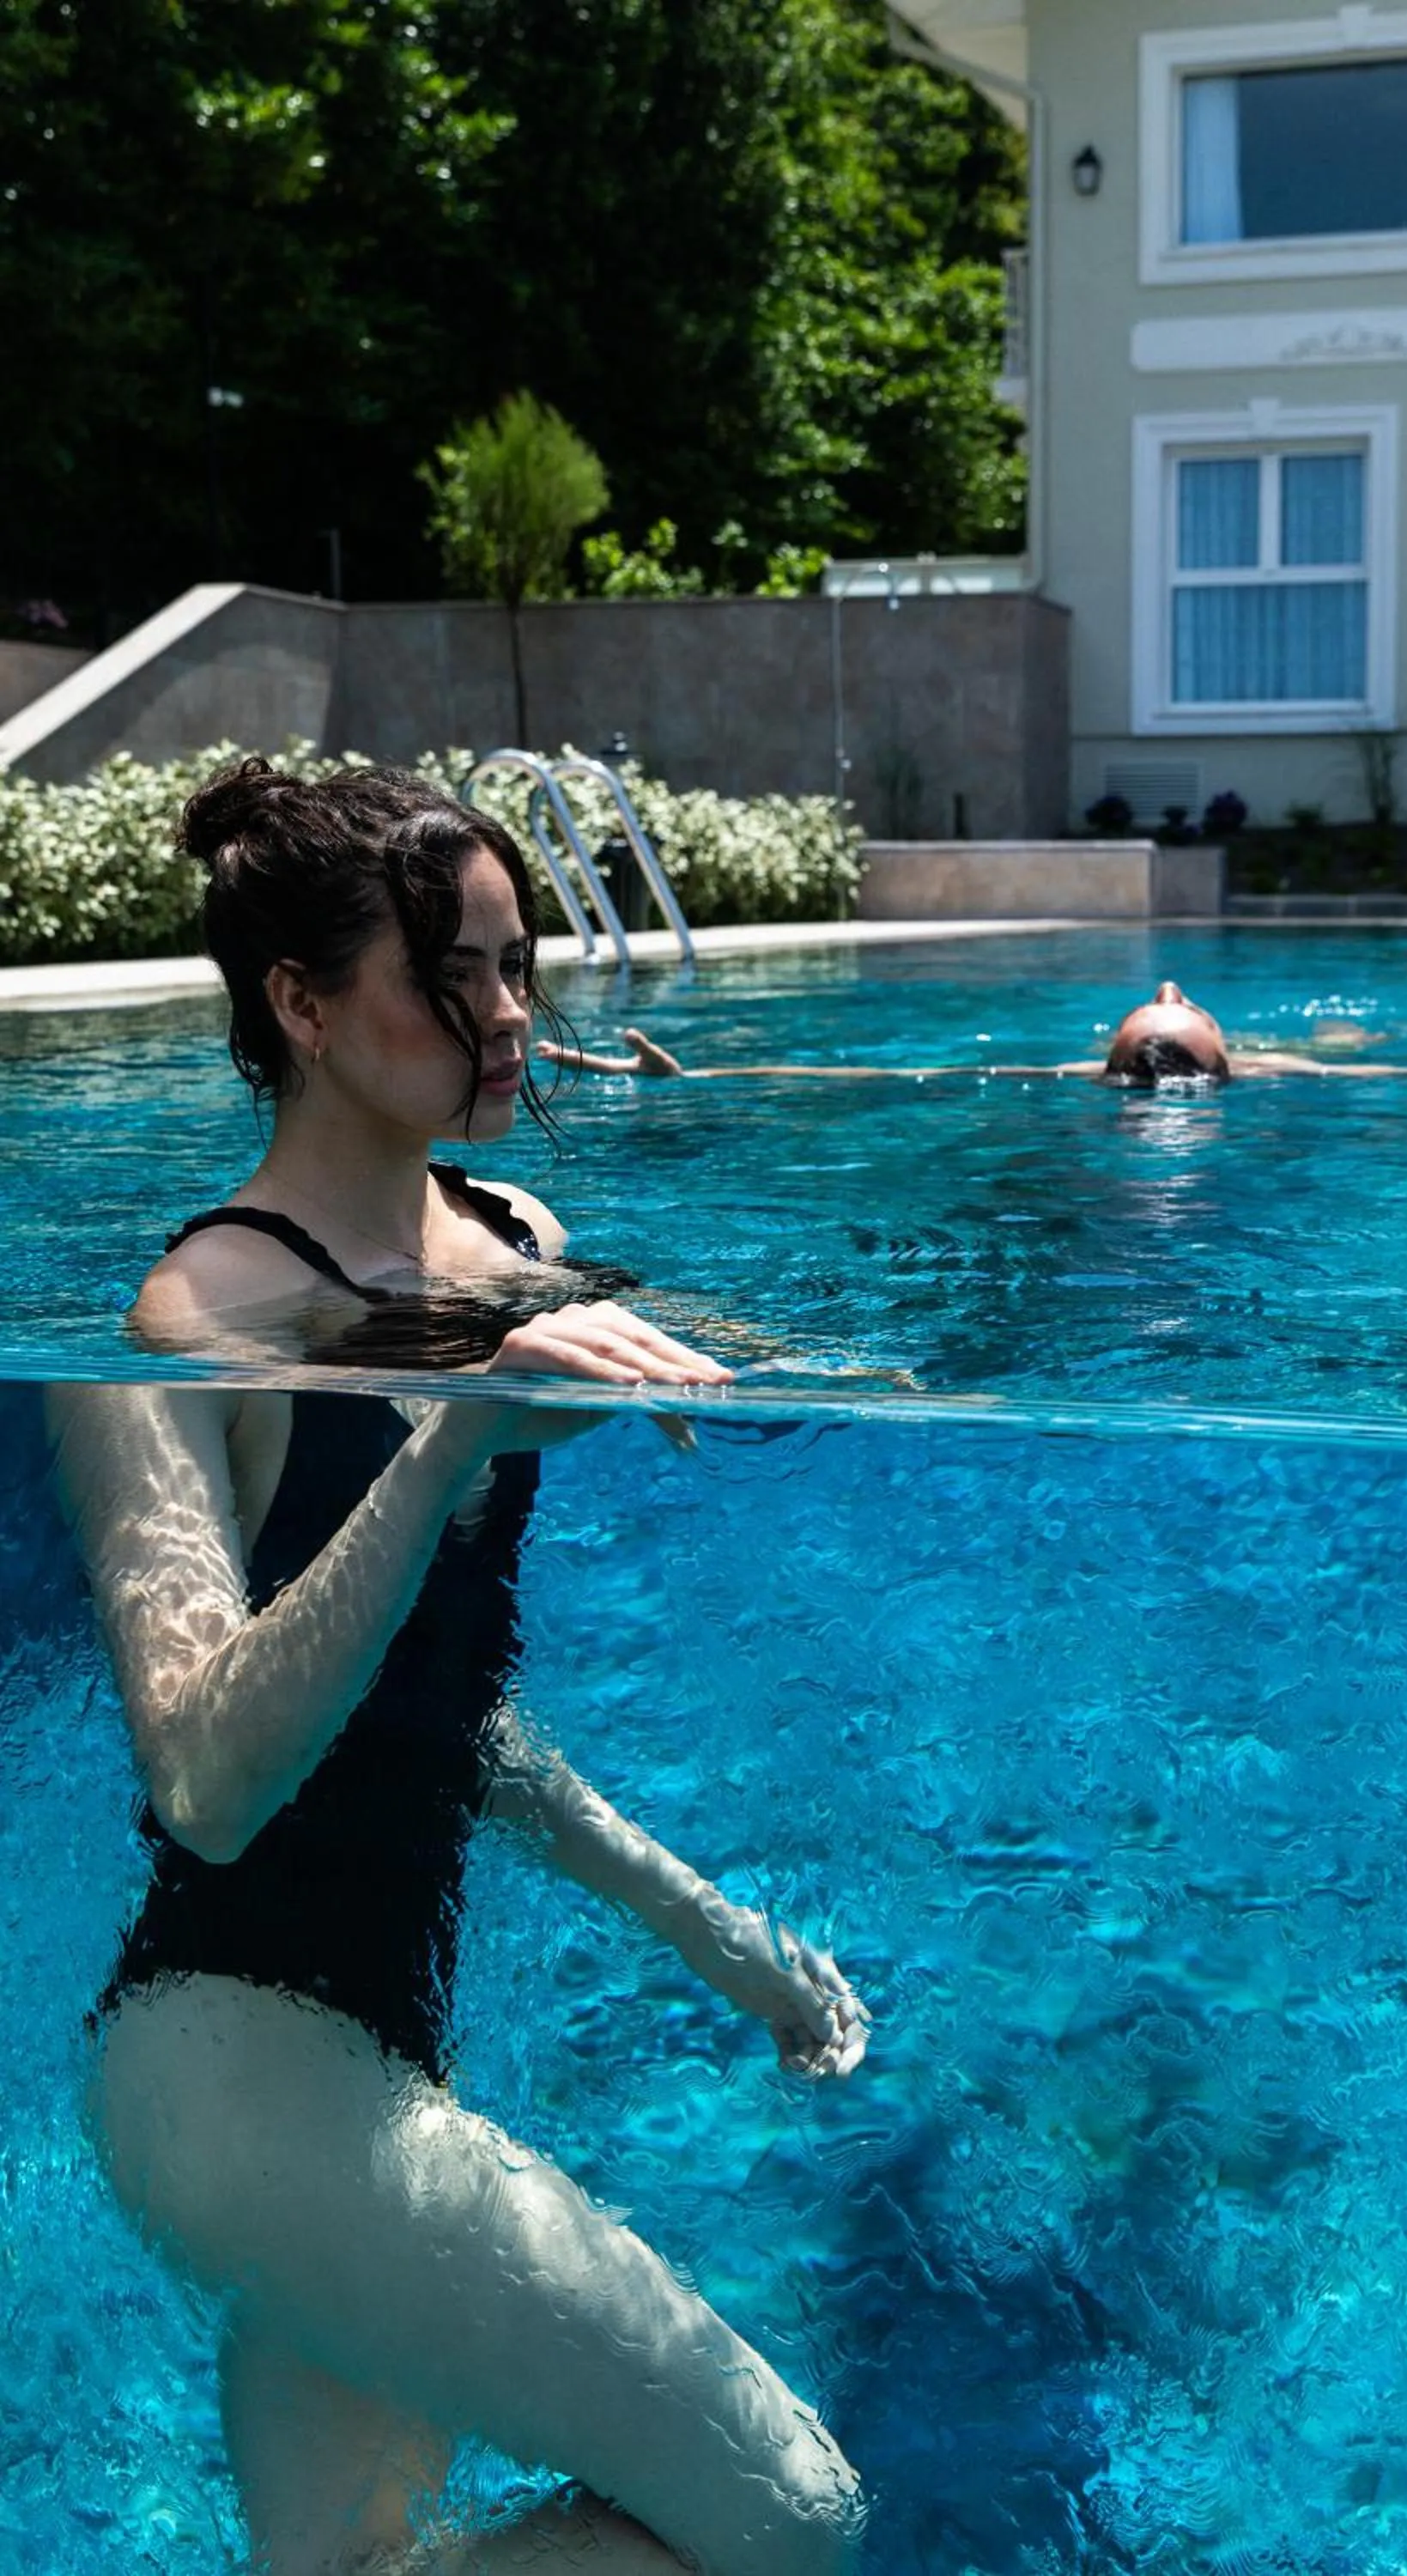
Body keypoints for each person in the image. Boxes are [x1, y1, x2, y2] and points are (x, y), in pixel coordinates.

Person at [47, 759, 868, 2576]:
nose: (504, 1015)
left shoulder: (520, 1257)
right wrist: (445, 1442)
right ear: (302, 1004)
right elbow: (205, 1770)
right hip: (223, 2061)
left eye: (517, 967)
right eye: (451, 973)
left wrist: (714, 1935)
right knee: (786, 2516)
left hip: (371, 2062)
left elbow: (436, 1719)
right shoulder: (188, 1331)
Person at [543, 980, 1407, 1092]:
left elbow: (869, 1070)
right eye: (1187, 1007)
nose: (1171, 983)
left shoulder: (1072, 1076)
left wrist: (699, 1076)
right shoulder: (1275, 1075)